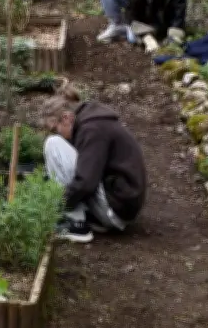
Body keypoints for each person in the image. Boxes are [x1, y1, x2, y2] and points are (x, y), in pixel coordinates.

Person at [38, 85, 147, 243]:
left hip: (117, 207)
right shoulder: (91, 122)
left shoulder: (92, 130)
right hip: (122, 203)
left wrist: (57, 204)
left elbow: (86, 182)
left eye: (55, 128)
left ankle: (77, 224)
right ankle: (89, 217)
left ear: (67, 118)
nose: (56, 133)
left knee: (52, 144)